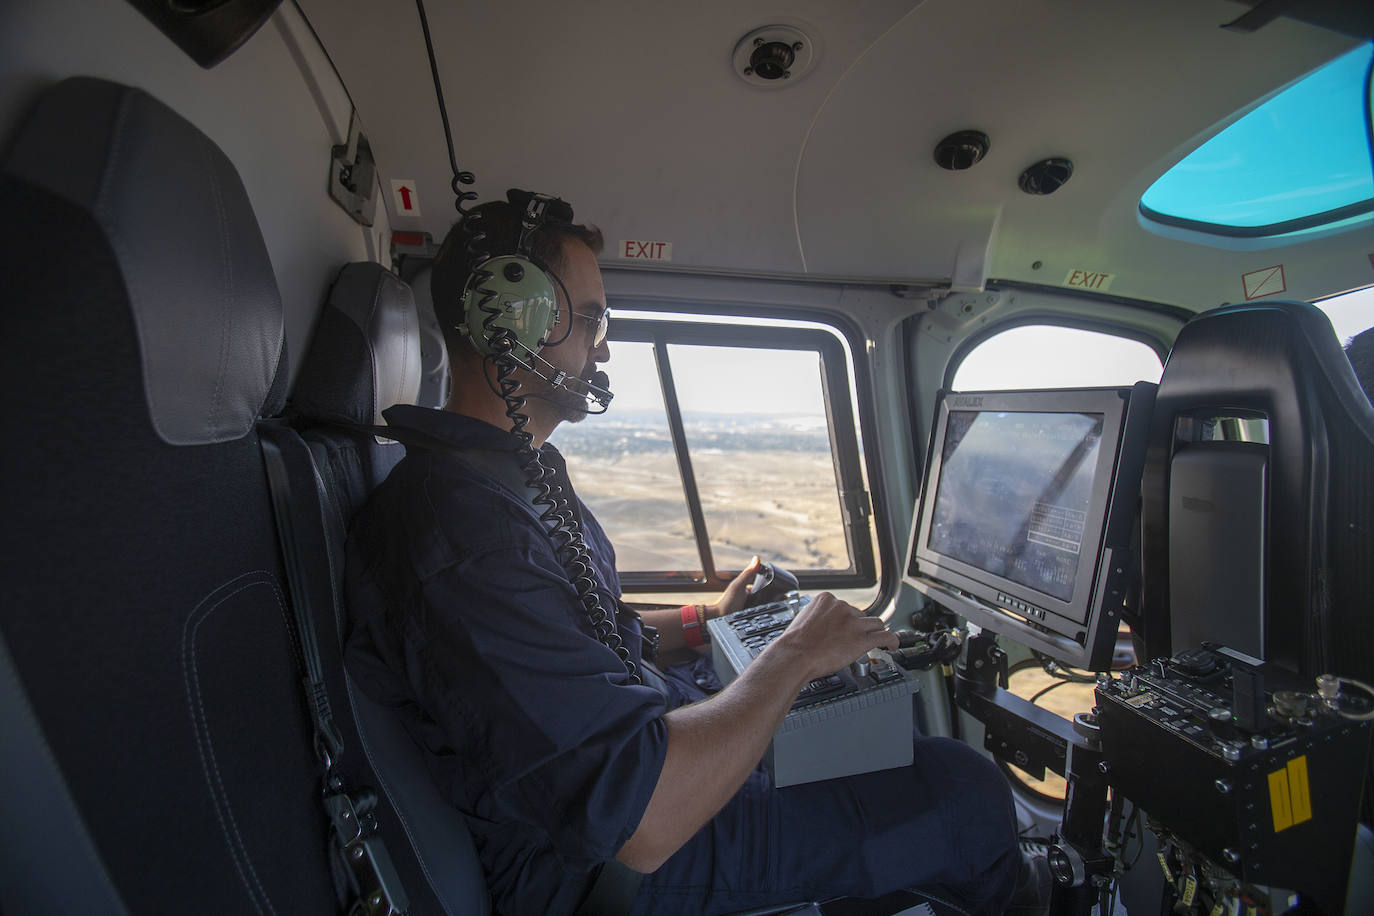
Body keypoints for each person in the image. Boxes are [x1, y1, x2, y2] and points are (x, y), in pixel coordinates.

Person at [344, 193, 1020, 916]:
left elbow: (581, 643)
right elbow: (636, 817)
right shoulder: (462, 536)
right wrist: (790, 657)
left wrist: (708, 618)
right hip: (596, 866)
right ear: (514, 319)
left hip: (624, 765)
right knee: (965, 790)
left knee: (884, 725)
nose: (603, 347)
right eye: (594, 319)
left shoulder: (500, 480)